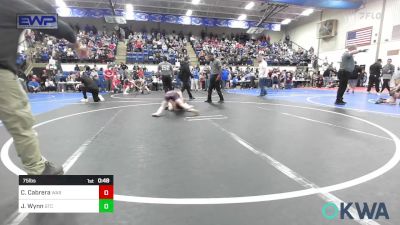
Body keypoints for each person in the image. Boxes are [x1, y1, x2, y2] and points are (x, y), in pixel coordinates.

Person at [0, 0, 89, 175]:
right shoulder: (12, 5)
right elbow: (56, 25)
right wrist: (77, 44)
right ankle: (38, 171)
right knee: (21, 122)